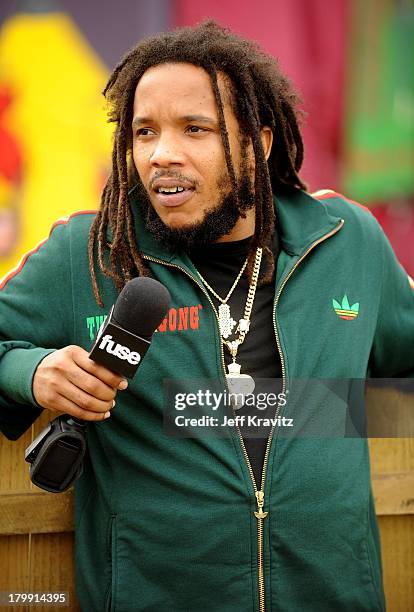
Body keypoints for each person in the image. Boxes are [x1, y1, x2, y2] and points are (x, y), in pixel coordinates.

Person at [0, 20, 413, 612]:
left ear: (259, 144)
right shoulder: (88, 253)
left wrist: (340, 416)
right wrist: (32, 374)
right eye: (144, 131)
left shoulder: (347, 242)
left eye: (195, 129)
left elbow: (400, 366)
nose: (161, 154)